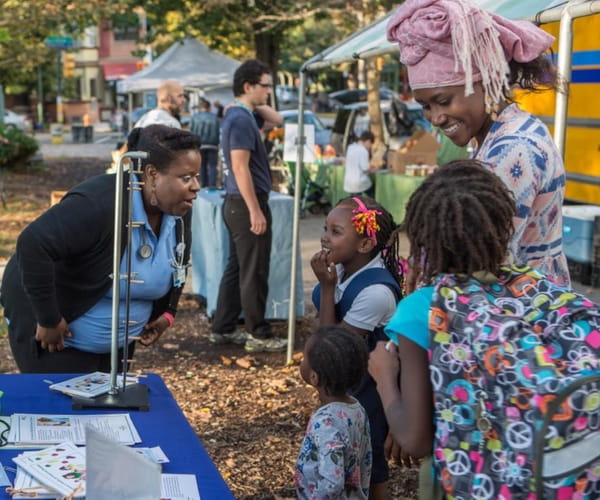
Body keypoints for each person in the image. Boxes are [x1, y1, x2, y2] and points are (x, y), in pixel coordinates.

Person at [369, 160, 600, 499]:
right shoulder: (537, 286)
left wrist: (384, 375)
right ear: (503, 226)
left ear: (424, 242)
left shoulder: (422, 309)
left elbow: (415, 439)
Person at [386, 0, 570, 287]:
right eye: (425, 106)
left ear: (487, 79)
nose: (435, 117)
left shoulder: (513, 149)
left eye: (444, 101)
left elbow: (479, 262)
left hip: (519, 314)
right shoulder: (502, 133)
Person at [0, 125, 201, 373]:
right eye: (186, 178)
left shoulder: (178, 208)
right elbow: (33, 244)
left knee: (106, 408)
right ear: (152, 174)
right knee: (60, 409)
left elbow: (178, 263)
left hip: (114, 343)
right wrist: (49, 318)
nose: (196, 186)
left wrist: (167, 311)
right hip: (56, 338)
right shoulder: (99, 203)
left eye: (196, 176)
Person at [311, 196, 404, 500]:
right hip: (346, 389)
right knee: (345, 466)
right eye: (327, 228)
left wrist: (326, 289)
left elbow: (331, 354)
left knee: (371, 471)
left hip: (369, 396)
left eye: (336, 232)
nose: (325, 237)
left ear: (364, 246)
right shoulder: (342, 270)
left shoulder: (376, 292)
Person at [209, 59, 286, 353]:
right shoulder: (240, 119)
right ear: (248, 86)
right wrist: (255, 210)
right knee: (254, 270)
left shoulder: (240, 114)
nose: (269, 92)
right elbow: (240, 168)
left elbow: (277, 120)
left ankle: (223, 326)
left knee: (238, 267)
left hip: (236, 202)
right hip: (245, 202)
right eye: (264, 86)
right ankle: (259, 334)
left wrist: (252, 102)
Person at [295, 326, 372, 500]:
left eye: (303, 359)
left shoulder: (325, 422)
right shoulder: (357, 408)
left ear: (314, 377)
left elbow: (332, 483)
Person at [190, 97, 220, 188]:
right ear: (209, 107)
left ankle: (203, 185)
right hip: (213, 145)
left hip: (199, 145)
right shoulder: (214, 117)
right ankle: (212, 185)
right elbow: (218, 131)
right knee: (213, 165)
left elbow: (192, 132)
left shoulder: (195, 117)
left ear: (200, 107)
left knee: (202, 166)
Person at [344, 131, 376, 198]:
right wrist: (373, 169)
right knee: (372, 195)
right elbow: (365, 168)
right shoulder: (363, 151)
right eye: (371, 144)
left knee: (355, 202)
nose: (370, 147)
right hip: (359, 182)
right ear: (368, 141)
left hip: (348, 182)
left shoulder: (350, 147)